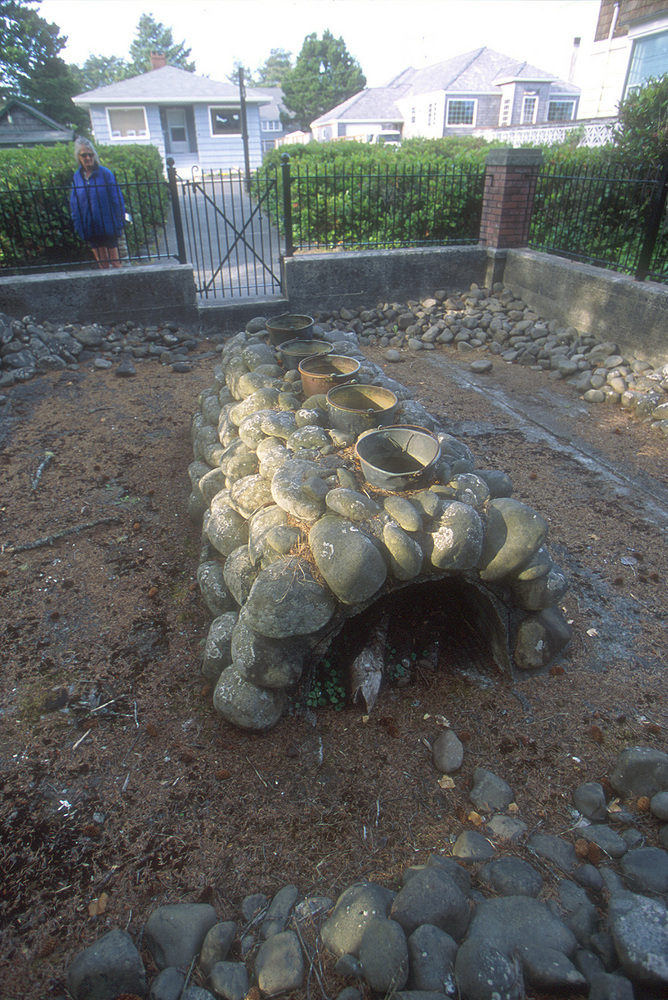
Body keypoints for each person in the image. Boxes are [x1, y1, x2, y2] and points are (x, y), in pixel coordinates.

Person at [70, 137, 125, 269]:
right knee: (102, 264)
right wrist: (78, 225)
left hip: (108, 225)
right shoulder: (77, 177)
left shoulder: (105, 174)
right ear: (78, 156)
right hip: (90, 227)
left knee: (115, 262)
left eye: (91, 154)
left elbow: (116, 199)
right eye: (84, 155)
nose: (88, 158)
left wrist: (119, 222)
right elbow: (74, 203)